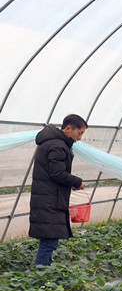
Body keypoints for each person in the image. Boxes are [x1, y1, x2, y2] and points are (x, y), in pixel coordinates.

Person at [29, 114, 88, 267]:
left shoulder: (53, 143)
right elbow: (57, 173)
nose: (80, 138)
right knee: (49, 241)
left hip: (48, 197)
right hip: (49, 200)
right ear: (68, 129)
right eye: (79, 133)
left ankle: (44, 272)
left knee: (49, 240)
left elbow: (54, 173)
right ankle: (40, 275)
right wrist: (77, 181)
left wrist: (70, 183)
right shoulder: (57, 145)